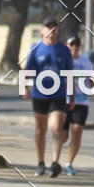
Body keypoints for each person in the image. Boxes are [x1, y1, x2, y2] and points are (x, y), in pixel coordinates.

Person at [22, 19, 73, 177]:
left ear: (57, 31)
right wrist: (25, 87)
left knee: (57, 127)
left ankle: (55, 163)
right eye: (48, 28)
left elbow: (69, 74)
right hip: (39, 94)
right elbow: (27, 69)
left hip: (58, 95)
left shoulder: (64, 50)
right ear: (42, 31)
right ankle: (40, 162)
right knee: (40, 130)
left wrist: (71, 96)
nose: (51, 30)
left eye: (54, 28)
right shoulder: (36, 48)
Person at [61, 35, 93, 175]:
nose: (75, 47)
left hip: (81, 101)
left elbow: (93, 77)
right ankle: (55, 158)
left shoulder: (85, 62)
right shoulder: (62, 60)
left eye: (77, 45)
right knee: (63, 136)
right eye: (72, 44)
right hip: (63, 101)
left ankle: (69, 163)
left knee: (77, 131)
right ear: (66, 46)